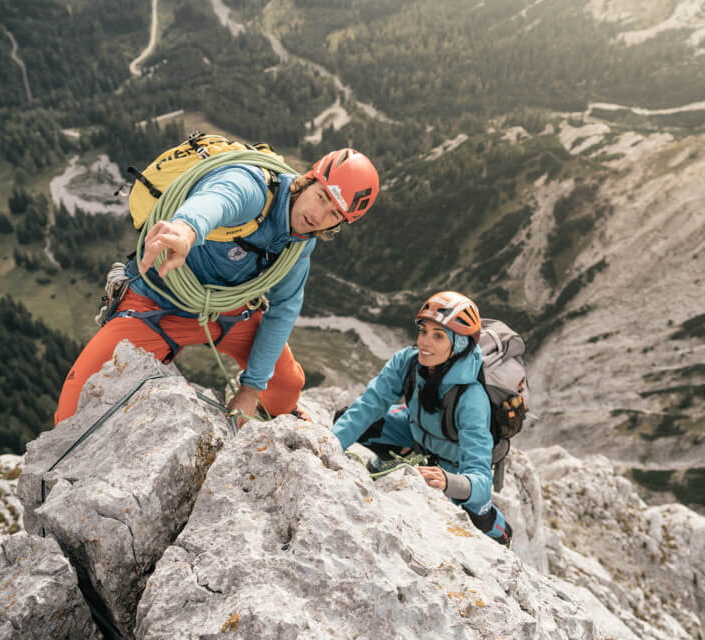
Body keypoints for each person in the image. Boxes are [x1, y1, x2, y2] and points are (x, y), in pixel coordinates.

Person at [55, 147, 380, 427]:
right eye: (321, 197)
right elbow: (220, 199)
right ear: (307, 180)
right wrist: (185, 229)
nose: (318, 216)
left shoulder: (300, 245)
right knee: (76, 402)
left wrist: (250, 390)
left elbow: (284, 310)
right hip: (157, 302)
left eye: (334, 214)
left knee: (286, 387)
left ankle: (275, 416)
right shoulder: (254, 186)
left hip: (227, 311)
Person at [331, 291, 513, 546]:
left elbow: (480, 481)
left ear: (459, 344)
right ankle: (400, 456)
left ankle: (503, 533)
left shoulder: (472, 398)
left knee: (476, 513)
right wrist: (330, 446)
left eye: (438, 336)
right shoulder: (407, 362)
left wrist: (449, 481)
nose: (425, 342)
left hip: (454, 461)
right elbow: (369, 406)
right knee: (349, 419)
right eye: (423, 332)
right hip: (415, 431)